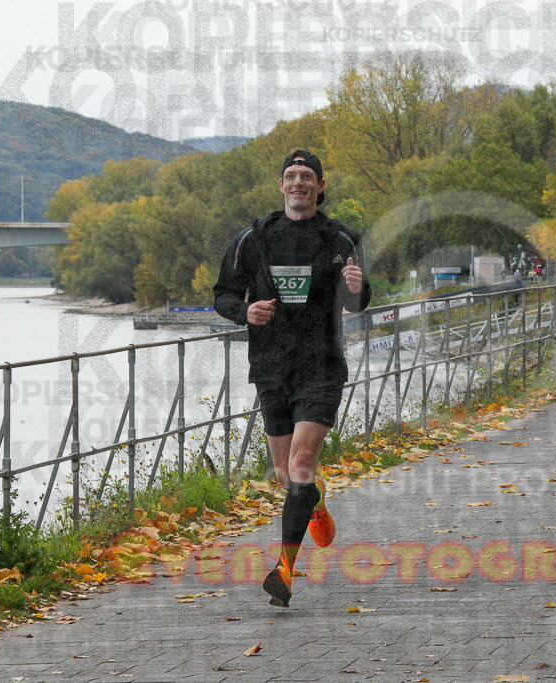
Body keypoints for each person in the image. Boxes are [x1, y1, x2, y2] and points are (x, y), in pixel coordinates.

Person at [213, 149, 372, 607]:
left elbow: (358, 304)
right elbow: (223, 295)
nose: (298, 182)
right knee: (287, 476)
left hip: (321, 365)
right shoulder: (253, 239)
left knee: (301, 464)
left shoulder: (341, 238)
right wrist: (245, 310)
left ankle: (283, 571)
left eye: (307, 176)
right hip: (271, 367)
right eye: (291, 176)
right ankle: (315, 501)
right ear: (281, 185)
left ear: (320, 186)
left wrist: (358, 289)